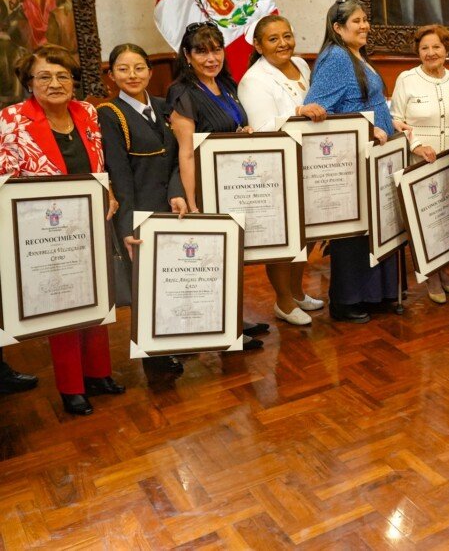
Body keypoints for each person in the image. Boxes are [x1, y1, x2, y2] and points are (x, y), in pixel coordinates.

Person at [0, 46, 122, 415]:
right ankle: (71, 388)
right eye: (44, 76)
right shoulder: (11, 120)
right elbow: (4, 183)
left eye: (63, 76)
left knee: (96, 296)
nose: (55, 83)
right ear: (29, 83)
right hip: (44, 230)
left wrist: (109, 192)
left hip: (91, 221)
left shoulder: (87, 112)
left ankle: (99, 373)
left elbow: (99, 165)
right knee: (63, 304)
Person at [168, 21, 270, 349]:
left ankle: (234, 320)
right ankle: (222, 331)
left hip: (231, 184)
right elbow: (185, 152)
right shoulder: (183, 93)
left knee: (231, 256)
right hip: (204, 186)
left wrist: (243, 133)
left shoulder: (225, 84)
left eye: (216, 50)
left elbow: (227, 129)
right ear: (187, 56)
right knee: (213, 259)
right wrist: (193, 202)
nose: (211, 58)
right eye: (201, 52)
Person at [306, 0, 405, 323]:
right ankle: (346, 301)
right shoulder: (335, 58)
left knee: (375, 227)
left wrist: (392, 122)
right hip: (352, 159)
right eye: (357, 21)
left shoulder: (355, 54)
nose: (364, 26)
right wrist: (366, 128)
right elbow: (318, 110)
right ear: (337, 27)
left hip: (375, 156)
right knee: (354, 234)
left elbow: (366, 101)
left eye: (365, 19)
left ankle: (376, 294)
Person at [98, 43, 188, 375]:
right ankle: (154, 357)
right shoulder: (110, 114)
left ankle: (178, 341)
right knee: (145, 286)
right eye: (123, 69)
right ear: (111, 75)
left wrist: (177, 192)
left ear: (150, 72)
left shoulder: (165, 107)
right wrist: (127, 228)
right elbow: (119, 176)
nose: (132, 75)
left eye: (139, 68)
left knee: (173, 279)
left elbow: (179, 158)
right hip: (139, 213)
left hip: (172, 209)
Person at [238, 15, 329, 325]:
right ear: (258, 45)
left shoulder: (301, 64)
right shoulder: (254, 80)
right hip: (278, 170)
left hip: (310, 164)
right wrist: (298, 111)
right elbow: (262, 129)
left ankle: (297, 291)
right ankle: (284, 301)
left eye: (287, 36)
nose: (283, 43)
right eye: (273, 39)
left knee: (306, 233)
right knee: (284, 238)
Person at [389, 23, 449, 303]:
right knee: (425, 221)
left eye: (436, 46)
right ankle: (431, 277)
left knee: (447, 220)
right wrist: (417, 146)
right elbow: (396, 120)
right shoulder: (406, 79)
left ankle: (444, 273)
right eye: (424, 48)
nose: (431, 52)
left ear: (446, 49)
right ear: (418, 52)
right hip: (419, 163)